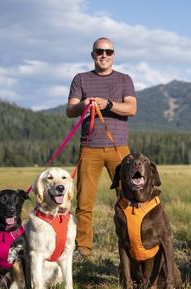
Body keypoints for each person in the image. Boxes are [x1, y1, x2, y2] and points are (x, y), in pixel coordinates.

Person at [66, 37, 137, 259]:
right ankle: (83, 249)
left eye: (108, 51)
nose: (104, 55)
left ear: (114, 55)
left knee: (128, 198)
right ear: (93, 54)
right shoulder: (80, 79)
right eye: (99, 51)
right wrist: (83, 104)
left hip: (119, 149)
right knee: (84, 201)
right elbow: (70, 110)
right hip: (89, 149)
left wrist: (108, 104)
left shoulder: (124, 79)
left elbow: (132, 108)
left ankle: (131, 244)